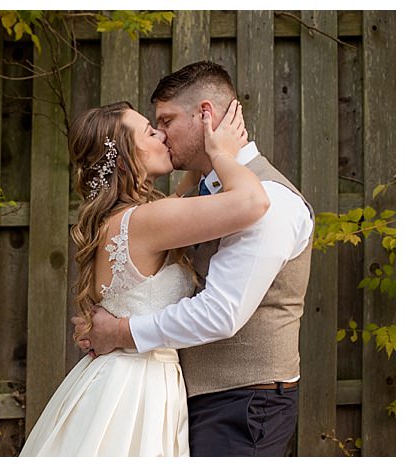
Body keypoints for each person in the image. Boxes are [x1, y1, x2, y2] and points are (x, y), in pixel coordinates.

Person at [74, 61, 315, 456]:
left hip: (244, 406)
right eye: (151, 128)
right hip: (169, 397)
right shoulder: (186, 204)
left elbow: (221, 312)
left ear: (205, 114)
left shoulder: (273, 200)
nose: (162, 134)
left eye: (165, 121)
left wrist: (118, 331)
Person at [19, 97, 269, 456]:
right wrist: (222, 153)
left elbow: (185, 193)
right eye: (151, 132)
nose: (163, 136)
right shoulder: (146, 222)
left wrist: (199, 145)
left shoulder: (125, 219)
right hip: (136, 391)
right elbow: (252, 202)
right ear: (123, 160)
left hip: (118, 378)